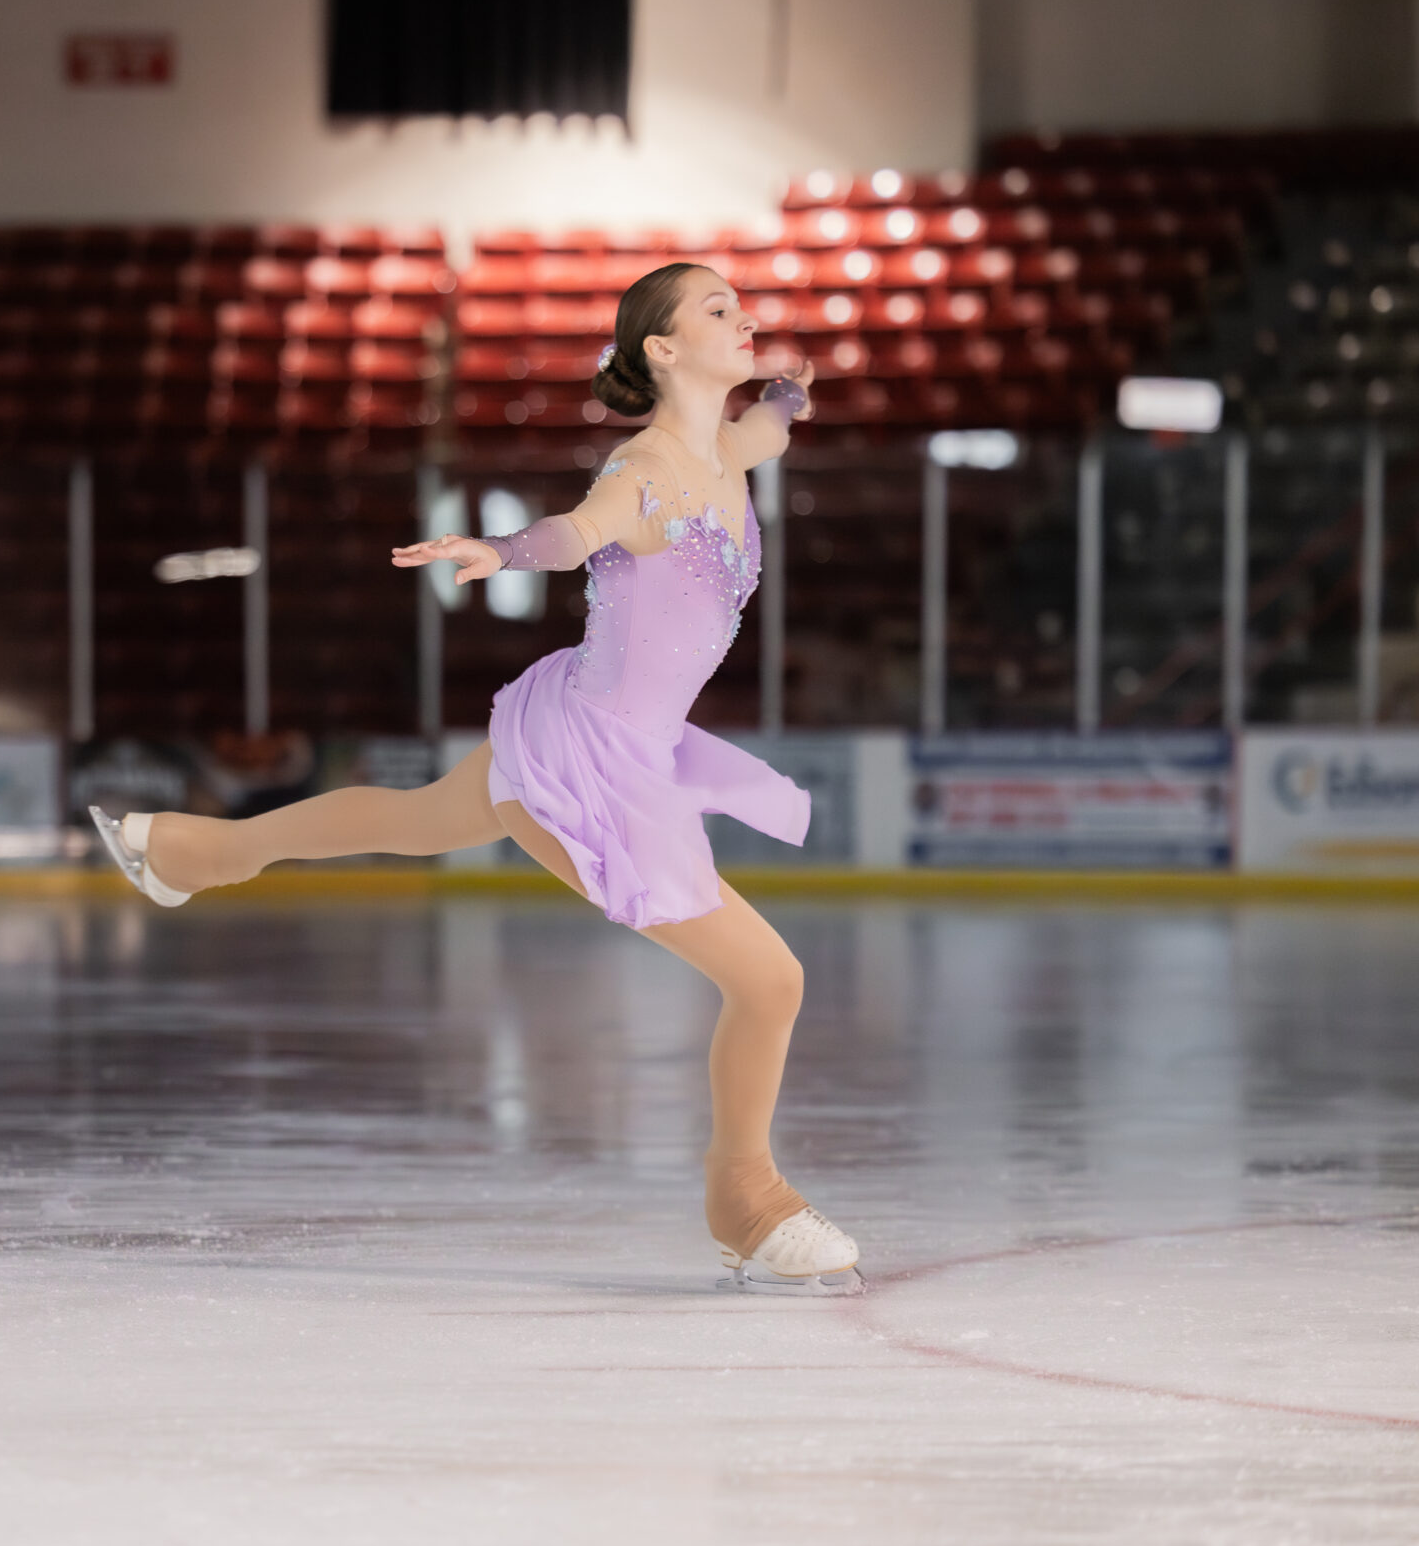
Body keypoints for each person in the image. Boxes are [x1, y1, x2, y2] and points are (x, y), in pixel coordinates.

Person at [90, 262, 859, 1295]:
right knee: (768, 979)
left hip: (613, 732)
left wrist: (792, 389)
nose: (745, 317)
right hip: (591, 761)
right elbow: (577, 532)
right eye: (717, 308)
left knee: (417, 818)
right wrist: (500, 550)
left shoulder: (731, 447)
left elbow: (772, 421)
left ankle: (191, 849)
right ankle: (745, 1197)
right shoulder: (646, 470)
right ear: (663, 349)